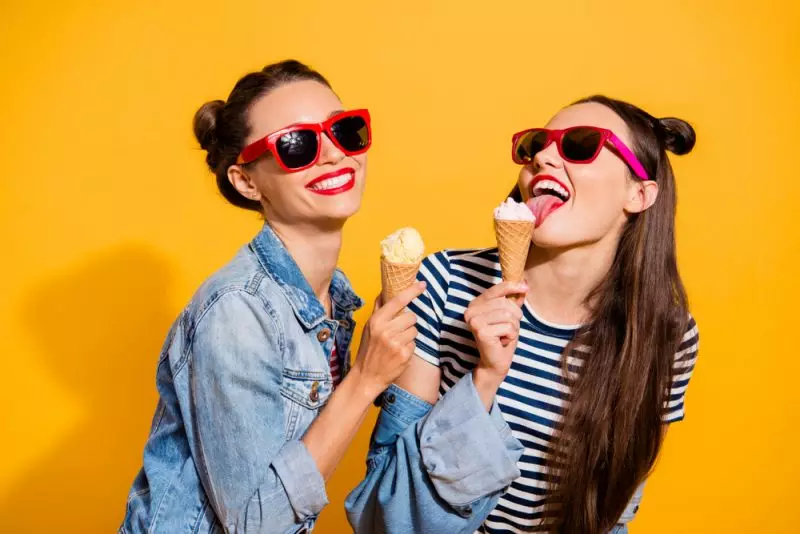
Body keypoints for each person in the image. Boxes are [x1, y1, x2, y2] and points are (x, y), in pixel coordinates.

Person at [346, 95, 700, 534]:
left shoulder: (666, 334)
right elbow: (392, 515)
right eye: (536, 144)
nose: (543, 156)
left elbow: (612, 510)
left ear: (639, 194)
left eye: (581, 145)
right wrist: (484, 380)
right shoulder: (443, 283)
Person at [120, 59, 424, 534]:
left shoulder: (330, 303)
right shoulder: (239, 308)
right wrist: (364, 377)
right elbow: (254, 525)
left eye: (344, 131)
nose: (332, 155)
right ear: (246, 181)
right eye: (297, 145)